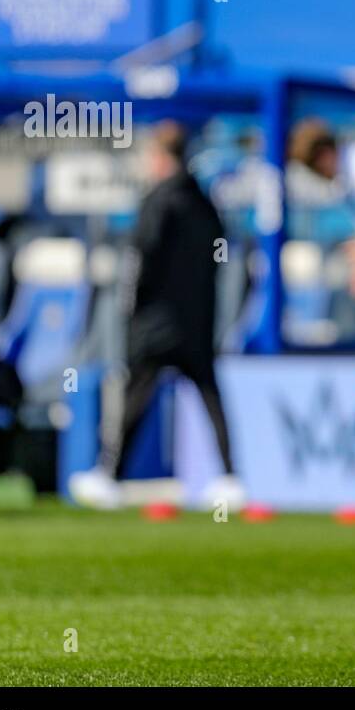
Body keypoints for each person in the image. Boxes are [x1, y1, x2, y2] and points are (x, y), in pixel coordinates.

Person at [69, 121, 245, 511]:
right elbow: (222, 260)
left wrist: (130, 310)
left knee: (135, 396)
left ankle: (109, 475)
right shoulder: (204, 203)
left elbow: (138, 259)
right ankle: (231, 477)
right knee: (209, 395)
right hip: (197, 320)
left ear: (161, 157)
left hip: (154, 322)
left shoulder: (157, 201)